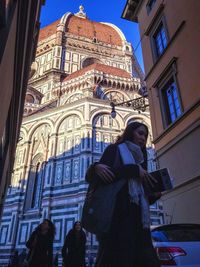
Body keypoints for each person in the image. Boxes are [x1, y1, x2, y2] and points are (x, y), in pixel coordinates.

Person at [85, 121, 161, 267]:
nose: (143, 138)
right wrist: (95, 167)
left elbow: (138, 195)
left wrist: (153, 196)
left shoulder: (141, 159)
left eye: (145, 135)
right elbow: (98, 178)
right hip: (116, 221)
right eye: (140, 133)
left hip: (139, 224)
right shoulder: (114, 150)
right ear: (130, 132)